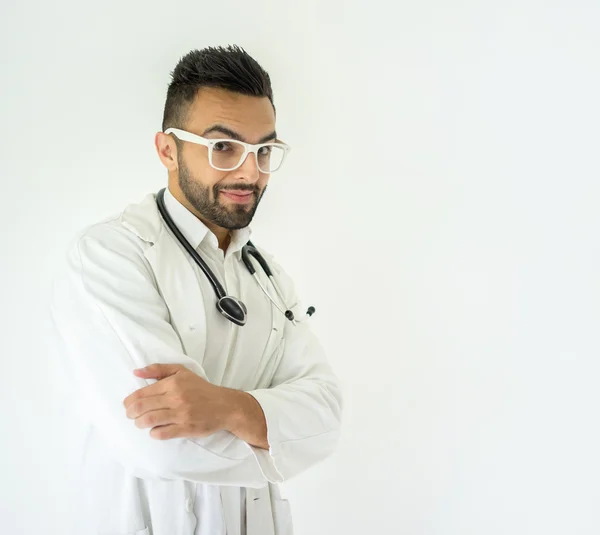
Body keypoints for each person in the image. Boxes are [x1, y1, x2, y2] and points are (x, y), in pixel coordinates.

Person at [49, 45, 343, 535]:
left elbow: (327, 416)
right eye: (223, 147)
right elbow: (160, 443)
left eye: (263, 150)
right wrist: (278, 432)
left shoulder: (266, 275)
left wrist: (228, 408)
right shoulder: (109, 255)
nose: (249, 172)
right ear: (168, 149)